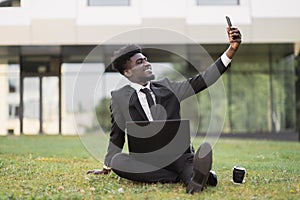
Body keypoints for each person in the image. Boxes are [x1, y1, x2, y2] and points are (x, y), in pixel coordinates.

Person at [87, 26, 242, 194]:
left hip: (178, 156)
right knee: (119, 161)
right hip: (146, 160)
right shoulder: (119, 98)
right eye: (140, 62)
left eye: (146, 59)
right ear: (128, 71)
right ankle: (185, 177)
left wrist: (231, 50)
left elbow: (203, 80)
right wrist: (107, 166)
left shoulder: (168, 87)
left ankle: (194, 179)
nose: (147, 63)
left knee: (188, 164)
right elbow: (117, 134)